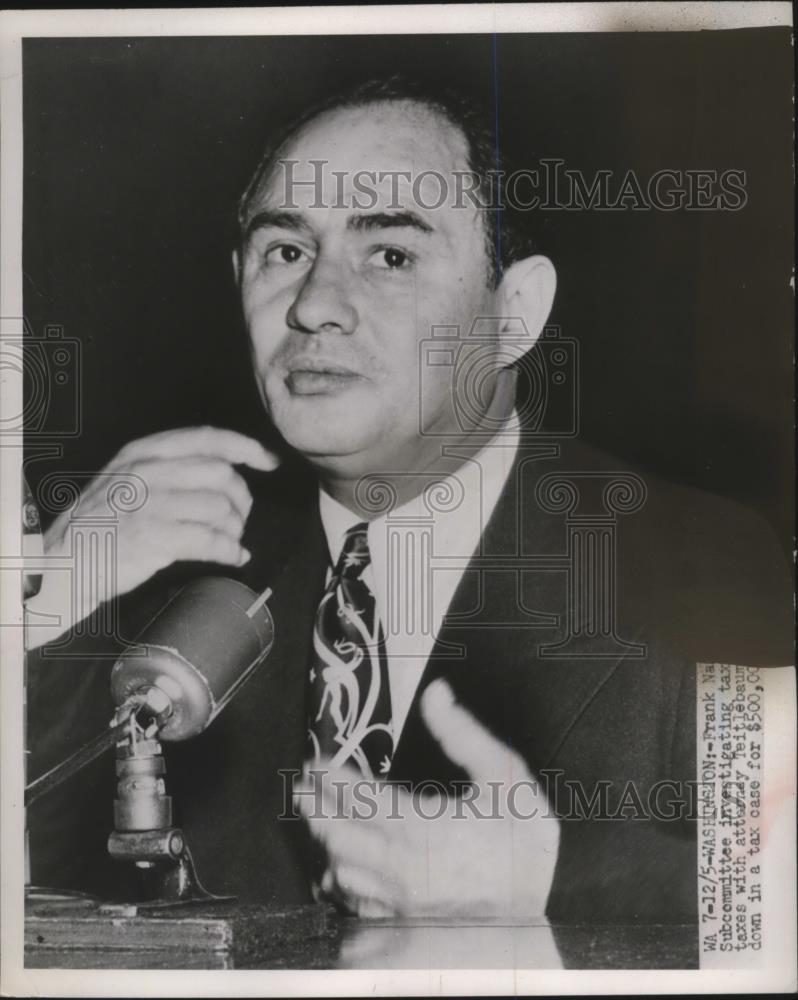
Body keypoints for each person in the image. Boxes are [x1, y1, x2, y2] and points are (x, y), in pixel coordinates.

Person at [25, 77, 792, 924]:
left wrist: (545, 889)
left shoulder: (699, 563)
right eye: (285, 251)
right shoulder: (157, 581)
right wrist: (49, 596)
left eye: (390, 254)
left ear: (516, 312)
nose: (314, 305)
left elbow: (774, 895)